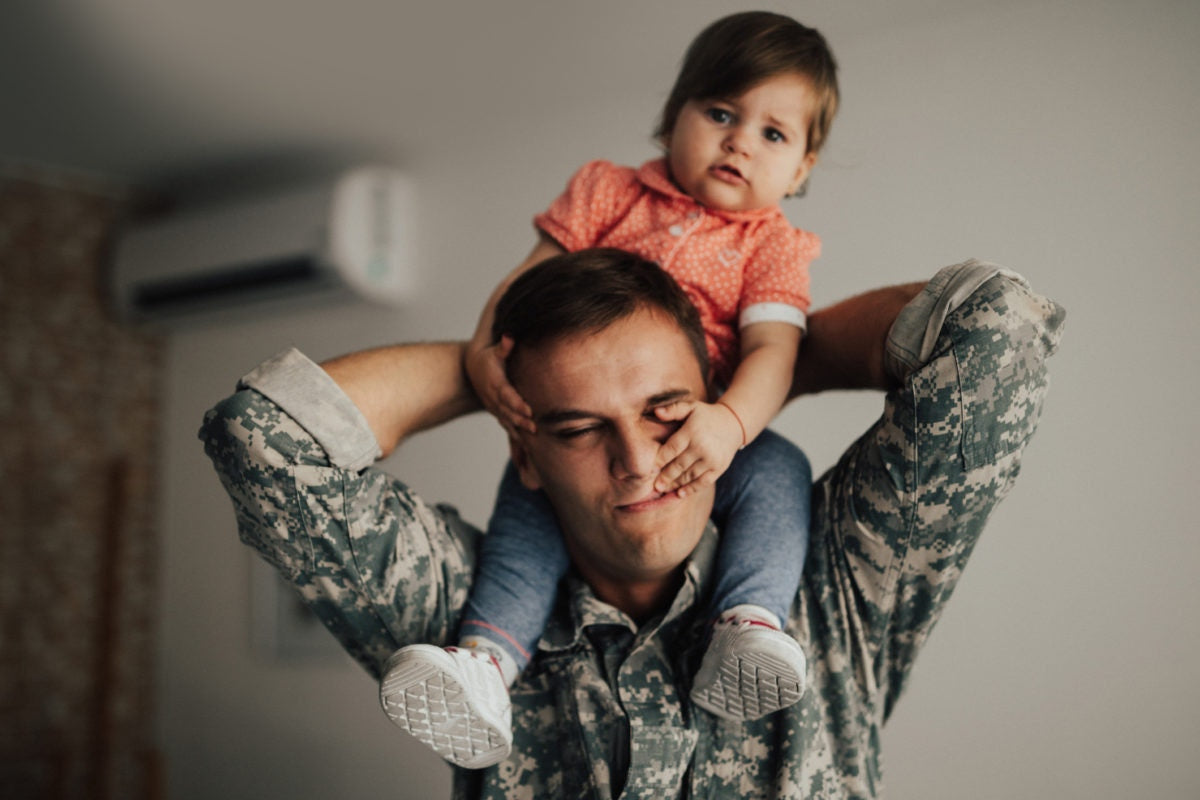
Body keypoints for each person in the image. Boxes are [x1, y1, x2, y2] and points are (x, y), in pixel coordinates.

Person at [199, 248, 1064, 797]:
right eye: (577, 427)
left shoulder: (836, 583)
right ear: (528, 454)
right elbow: (263, 437)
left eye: (666, 410)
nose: (640, 462)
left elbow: (1000, 327)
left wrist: (760, 381)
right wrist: (488, 376)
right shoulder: (462, 631)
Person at [380, 11, 841, 766]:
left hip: (705, 433)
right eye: (721, 113)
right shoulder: (608, 191)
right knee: (525, 526)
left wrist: (729, 424)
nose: (738, 141)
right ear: (671, 119)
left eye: (773, 133)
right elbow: (527, 280)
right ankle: (487, 666)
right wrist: (483, 351)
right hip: (584, 433)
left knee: (779, 473)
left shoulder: (773, 248)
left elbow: (773, 351)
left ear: (801, 170)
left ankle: (750, 621)